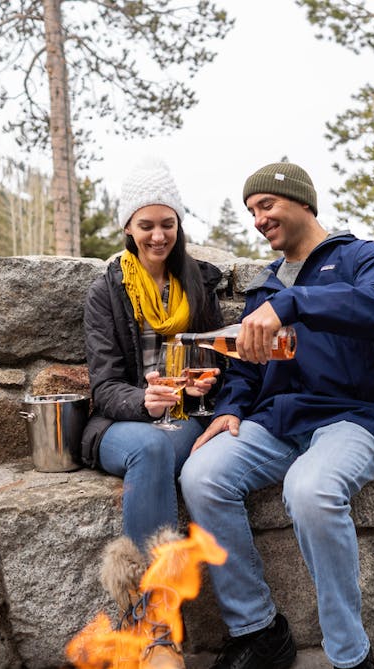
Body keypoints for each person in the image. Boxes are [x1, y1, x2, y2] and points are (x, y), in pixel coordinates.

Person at [179, 162, 374, 669]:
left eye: (266, 205)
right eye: (251, 212)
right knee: (201, 475)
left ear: (303, 202)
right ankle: (259, 631)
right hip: (278, 422)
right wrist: (232, 409)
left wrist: (296, 303)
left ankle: (351, 657)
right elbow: (246, 367)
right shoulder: (264, 287)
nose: (258, 219)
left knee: (309, 491)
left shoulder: (357, 257)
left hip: (352, 419)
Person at [81, 159, 224, 552]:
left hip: (182, 421)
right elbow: (105, 386)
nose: (159, 236)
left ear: (179, 225)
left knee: (160, 447)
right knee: (149, 447)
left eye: (168, 224)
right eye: (147, 226)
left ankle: (157, 597)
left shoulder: (199, 284)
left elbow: (218, 360)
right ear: (128, 227)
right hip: (118, 425)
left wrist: (204, 384)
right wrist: (142, 400)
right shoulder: (106, 293)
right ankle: (148, 588)